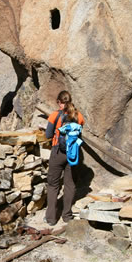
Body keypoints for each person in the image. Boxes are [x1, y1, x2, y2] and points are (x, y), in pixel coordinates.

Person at [44, 90, 85, 226]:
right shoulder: (79, 116)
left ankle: (51, 218)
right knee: (70, 185)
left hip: (58, 152)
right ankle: (66, 215)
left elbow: (48, 135)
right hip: (73, 154)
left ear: (59, 102)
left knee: (53, 184)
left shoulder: (55, 116)